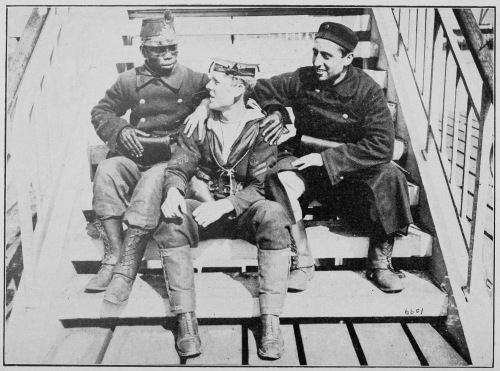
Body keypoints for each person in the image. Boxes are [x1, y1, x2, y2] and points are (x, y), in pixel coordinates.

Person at [252, 22, 413, 293]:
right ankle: (301, 261)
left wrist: (328, 159)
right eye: (315, 53)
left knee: (391, 175)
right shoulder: (303, 78)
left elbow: (382, 145)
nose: (317, 62)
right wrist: (277, 111)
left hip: (349, 172)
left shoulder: (367, 90)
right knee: (278, 177)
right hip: (306, 164)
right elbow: (263, 88)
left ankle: (380, 264)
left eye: (326, 56)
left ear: (348, 59)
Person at [154, 59, 292, 359]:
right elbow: (181, 163)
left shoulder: (261, 128)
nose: (208, 87)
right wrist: (174, 190)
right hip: (204, 209)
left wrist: (226, 205)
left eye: (216, 82)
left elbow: (259, 186)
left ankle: (270, 320)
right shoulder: (200, 121)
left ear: (239, 87)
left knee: (274, 214)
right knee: (171, 220)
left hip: (242, 213)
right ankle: (185, 320)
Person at [86, 10, 210, 304]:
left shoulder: (192, 79)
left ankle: (126, 269)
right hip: (135, 156)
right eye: (158, 49)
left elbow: (224, 90)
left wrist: (204, 105)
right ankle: (113, 256)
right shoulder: (129, 81)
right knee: (107, 170)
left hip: (172, 162)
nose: (167, 55)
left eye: (172, 48)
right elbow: (101, 111)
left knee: (154, 179)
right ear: (144, 50)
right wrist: (120, 129)